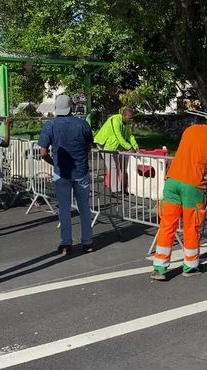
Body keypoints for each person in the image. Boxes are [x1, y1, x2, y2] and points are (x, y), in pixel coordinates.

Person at [150, 111, 207, 281]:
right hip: (193, 186)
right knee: (191, 227)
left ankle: (159, 268)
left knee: (167, 225)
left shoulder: (190, 129)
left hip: (172, 181)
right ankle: (190, 266)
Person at [38, 95, 95, 255]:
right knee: (84, 207)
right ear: (72, 107)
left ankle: (66, 244)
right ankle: (88, 242)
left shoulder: (50, 126)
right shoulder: (83, 124)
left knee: (64, 208)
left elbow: (43, 153)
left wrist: (54, 163)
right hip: (81, 171)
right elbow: (88, 147)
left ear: (56, 108)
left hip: (61, 172)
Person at [93, 107, 138, 194]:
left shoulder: (126, 123)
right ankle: (115, 190)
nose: (131, 120)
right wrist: (129, 147)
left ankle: (117, 189)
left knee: (116, 166)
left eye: (132, 118)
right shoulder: (115, 120)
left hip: (113, 145)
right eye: (129, 118)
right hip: (104, 144)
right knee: (113, 166)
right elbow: (118, 136)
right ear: (124, 115)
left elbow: (130, 136)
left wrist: (135, 146)